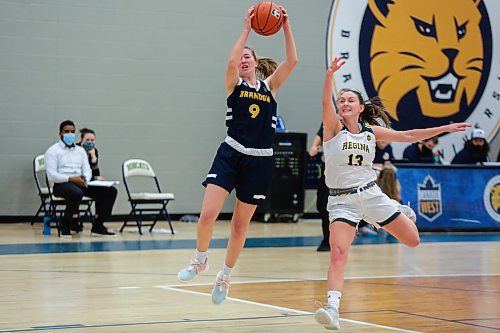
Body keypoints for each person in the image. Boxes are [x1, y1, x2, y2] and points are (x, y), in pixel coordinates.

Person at [314, 57, 470, 330]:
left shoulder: (370, 132)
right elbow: (326, 104)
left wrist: (444, 128)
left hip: (372, 195)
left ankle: (399, 213)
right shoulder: (333, 129)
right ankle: (333, 308)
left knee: (413, 241)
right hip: (341, 201)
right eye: (342, 100)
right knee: (338, 252)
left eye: (350, 100)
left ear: (361, 108)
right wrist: (329, 76)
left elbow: (409, 136)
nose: (345, 103)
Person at [177, 6, 298, 304]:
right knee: (208, 215)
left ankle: (225, 276)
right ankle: (200, 260)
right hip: (231, 153)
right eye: (240, 56)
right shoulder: (234, 85)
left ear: (256, 64)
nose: (242, 59)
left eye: (248, 56)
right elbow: (230, 61)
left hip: (260, 159)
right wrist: (246, 27)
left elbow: (293, 60)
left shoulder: (270, 88)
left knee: (240, 226)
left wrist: (286, 26)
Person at [45, 120, 118, 238]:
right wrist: (71, 178)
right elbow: (51, 175)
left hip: (81, 182)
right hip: (62, 184)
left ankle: (98, 226)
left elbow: (87, 170)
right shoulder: (53, 151)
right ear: (60, 133)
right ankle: (66, 224)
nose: (70, 134)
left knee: (110, 191)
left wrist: (85, 178)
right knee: (76, 193)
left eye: (72, 132)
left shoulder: (80, 151)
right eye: (66, 131)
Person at [308, 124, 330, 252]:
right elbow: (320, 134)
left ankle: (330, 240)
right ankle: (327, 239)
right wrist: (314, 146)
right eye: (342, 101)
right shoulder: (330, 119)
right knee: (322, 206)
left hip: (343, 170)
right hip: (326, 169)